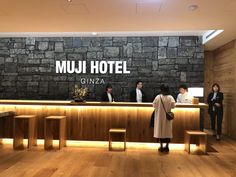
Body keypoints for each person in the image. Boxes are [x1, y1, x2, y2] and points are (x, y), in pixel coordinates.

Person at [153, 85, 175, 152]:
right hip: (167, 118)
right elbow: (173, 106)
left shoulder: (158, 97)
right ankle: (167, 146)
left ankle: (161, 146)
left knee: (160, 131)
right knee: (167, 131)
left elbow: (154, 105)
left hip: (159, 117)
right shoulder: (170, 97)